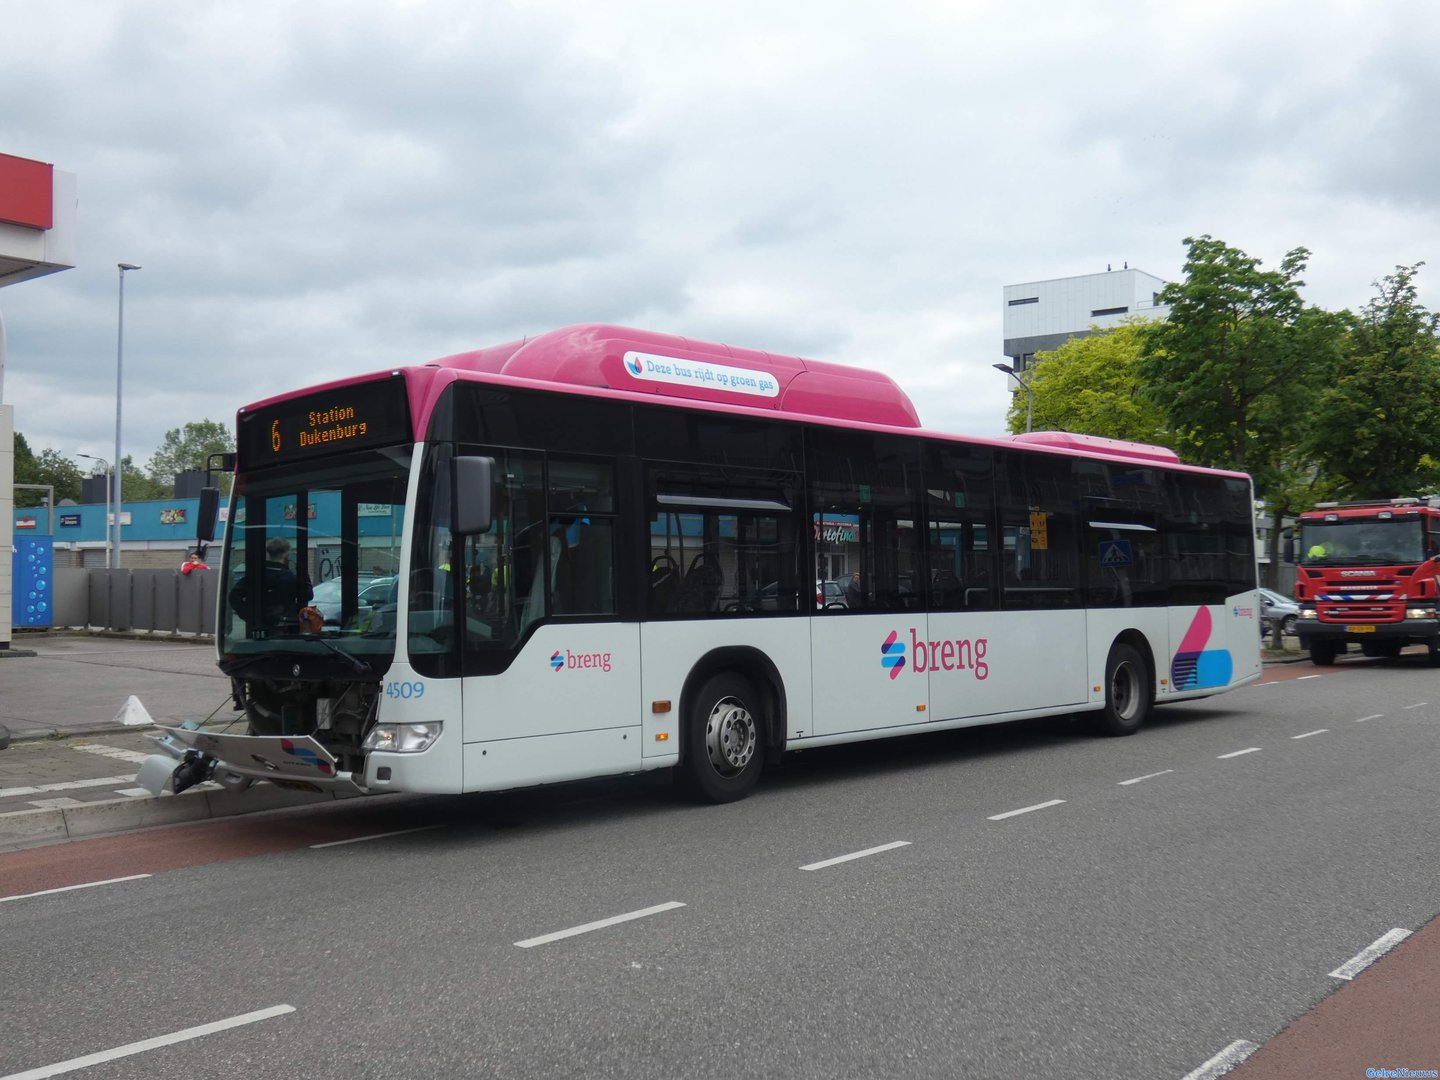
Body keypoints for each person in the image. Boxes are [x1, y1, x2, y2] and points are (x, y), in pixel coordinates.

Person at [229, 536, 313, 630]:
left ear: (268, 552)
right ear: (286, 554)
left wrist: (249, 616)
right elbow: (308, 595)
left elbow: (234, 597)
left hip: (258, 628)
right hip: (284, 628)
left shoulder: (255, 576)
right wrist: (304, 573)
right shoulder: (290, 578)